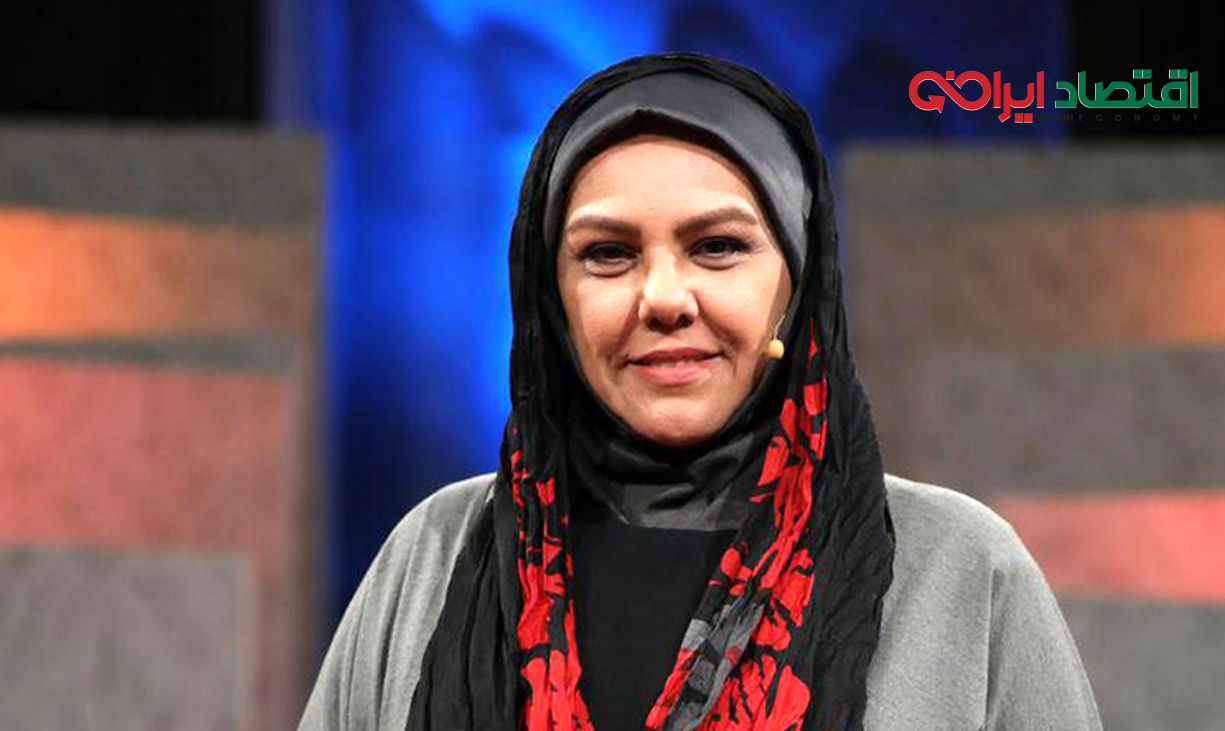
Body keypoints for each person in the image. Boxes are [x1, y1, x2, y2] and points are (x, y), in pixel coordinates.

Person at [299, 52, 1102, 730]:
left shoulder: (960, 570)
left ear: (798, 285)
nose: (663, 297)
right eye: (608, 253)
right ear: (552, 299)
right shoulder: (433, 556)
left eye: (717, 247)